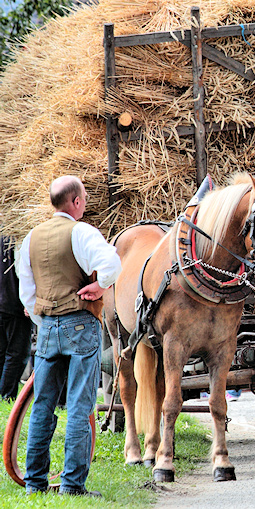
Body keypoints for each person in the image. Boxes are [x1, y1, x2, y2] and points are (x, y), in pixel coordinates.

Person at [18, 175, 122, 497]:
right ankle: (72, 486)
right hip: (80, 324)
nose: (86, 203)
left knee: (42, 406)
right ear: (75, 202)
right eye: (85, 198)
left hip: (47, 327)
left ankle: (35, 484)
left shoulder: (31, 238)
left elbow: (27, 293)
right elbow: (111, 262)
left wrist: (41, 317)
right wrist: (101, 285)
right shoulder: (82, 231)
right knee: (79, 406)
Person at [1, 235, 33, 401]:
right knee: (17, 353)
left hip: (4, 300)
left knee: (3, 351)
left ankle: (5, 393)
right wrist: (28, 301)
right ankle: (7, 395)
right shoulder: (19, 235)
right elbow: (23, 271)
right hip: (15, 303)